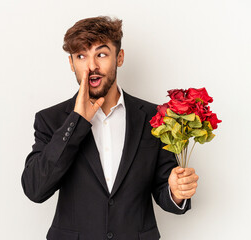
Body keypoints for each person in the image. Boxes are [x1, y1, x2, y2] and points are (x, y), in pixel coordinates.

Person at [21, 16, 199, 240]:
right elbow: (35, 189)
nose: (92, 66)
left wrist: (175, 191)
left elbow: (164, 193)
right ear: (71, 63)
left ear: (120, 57)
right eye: (81, 56)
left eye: (101, 54)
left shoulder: (155, 117)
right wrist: (76, 121)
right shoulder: (51, 120)